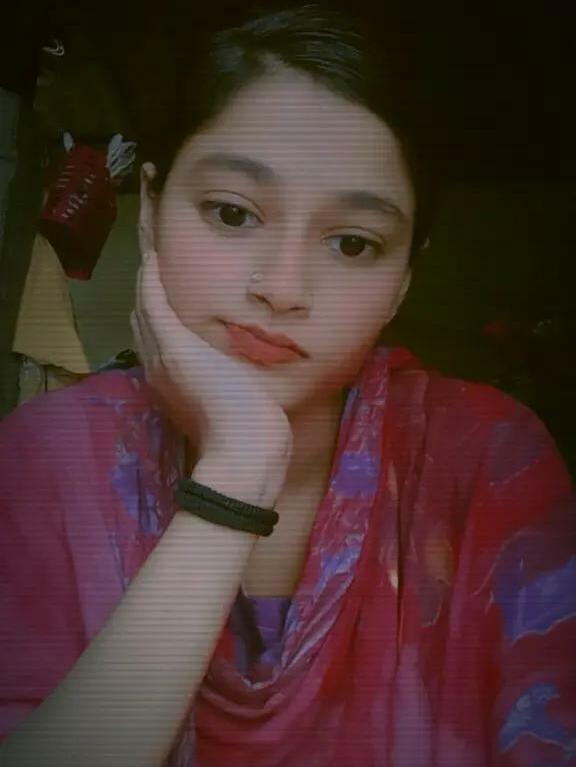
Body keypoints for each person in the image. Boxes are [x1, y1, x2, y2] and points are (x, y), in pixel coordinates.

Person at [0, 5, 575, 766]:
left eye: (352, 243)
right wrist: (238, 469)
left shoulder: (487, 463)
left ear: (404, 279)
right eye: (232, 213)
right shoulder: (46, 459)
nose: (281, 287)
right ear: (152, 208)